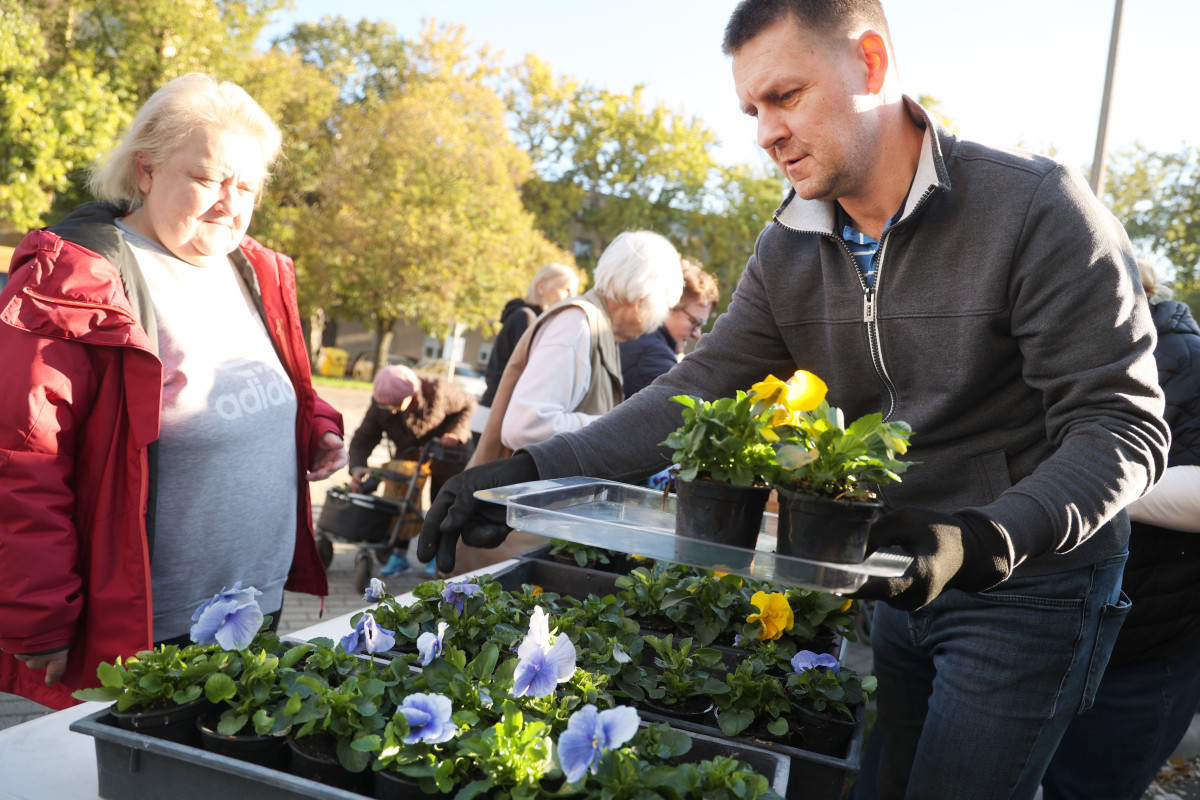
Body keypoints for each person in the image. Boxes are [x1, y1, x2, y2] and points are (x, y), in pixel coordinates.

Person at [418, 1, 1169, 796]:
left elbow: (1122, 425)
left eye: (786, 96)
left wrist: (982, 540)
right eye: (752, 108)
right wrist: (532, 467)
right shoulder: (788, 246)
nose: (764, 131)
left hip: (1029, 580)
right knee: (880, 784)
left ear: (871, 65)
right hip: (893, 571)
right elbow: (693, 389)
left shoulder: (1034, 208)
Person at [0, 73, 348, 709]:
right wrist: (39, 615)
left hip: (255, 608)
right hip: (150, 628)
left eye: (247, 186)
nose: (229, 203)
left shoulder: (256, 268)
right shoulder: (72, 279)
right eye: (209, 178)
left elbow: (279, 380)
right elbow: (23, 460)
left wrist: (316, 423)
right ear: (147, 170)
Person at [1041, 260, 1200, 800]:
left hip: (1137, 655)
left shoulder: (1188, 362)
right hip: (1038, 631)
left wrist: (1066, 486)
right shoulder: (1054, 350)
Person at [348, 364, 476, 574]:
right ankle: (398, 555)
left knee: (443, 501)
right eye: (387, 406)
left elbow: (469, 405)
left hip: (447, 452)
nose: (392, 410)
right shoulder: (382, 404)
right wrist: (357, 466)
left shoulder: (438, 391)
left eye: (397, 404)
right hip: (410, 454)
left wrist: (456, 432)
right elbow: (364, 437)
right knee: (400, 500)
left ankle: (438, 554)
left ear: (413, 393)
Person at [479, 263, 580, 409]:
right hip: (499, 413)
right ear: (541, 287)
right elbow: (530, 376)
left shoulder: (537, 320)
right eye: (566, 289)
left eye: (574, 293)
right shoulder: (526, 318)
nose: (571, 297)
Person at [619, 258, 720, 397]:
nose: (697, 334)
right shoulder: (655, 356)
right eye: (694, 323)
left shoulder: (634, 336)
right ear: (669, 306)